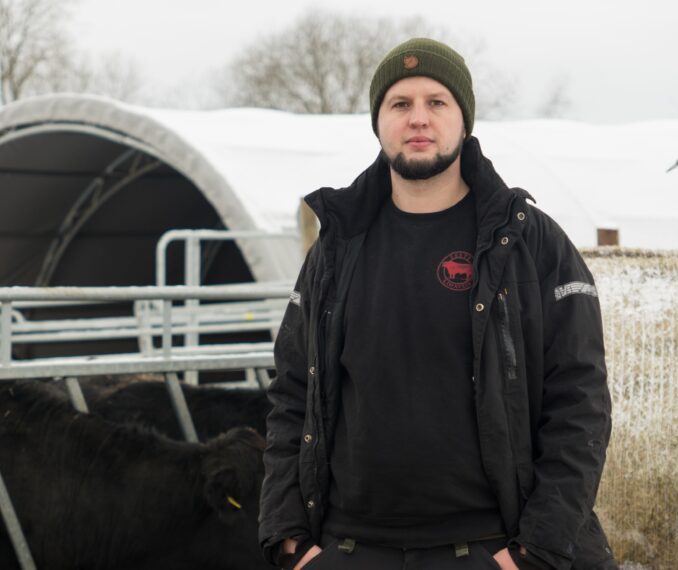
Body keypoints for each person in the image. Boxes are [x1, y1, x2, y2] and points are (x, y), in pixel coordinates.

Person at [258, 38, 616, 570]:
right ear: (379, 122)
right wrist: (292, 541)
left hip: (489, 546)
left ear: (464, 119)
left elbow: (579, 403)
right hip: (350, 548)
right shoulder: (337, 246)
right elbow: (292, 394)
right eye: (400, 104)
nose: (418, 119)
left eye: (437, 102)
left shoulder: (527, 241)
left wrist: (534, 551)